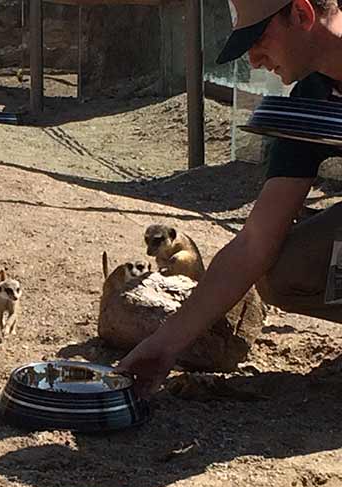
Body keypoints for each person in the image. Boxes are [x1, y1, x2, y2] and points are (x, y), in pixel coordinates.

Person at [117, 0, 342, 397]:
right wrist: (162, 346)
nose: (254, 61)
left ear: (302, 15)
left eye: (258, 40)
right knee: (284, 271)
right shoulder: (312, 95)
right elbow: (256, 241)